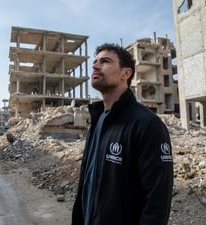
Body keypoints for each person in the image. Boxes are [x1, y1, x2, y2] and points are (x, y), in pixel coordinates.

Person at [71, 43, 173, 225]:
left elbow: (157, 201)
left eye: (105, 61)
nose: (95, 66)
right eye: (95, 61)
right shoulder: (98, 119)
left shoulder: (147, 124)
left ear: (125, 74)